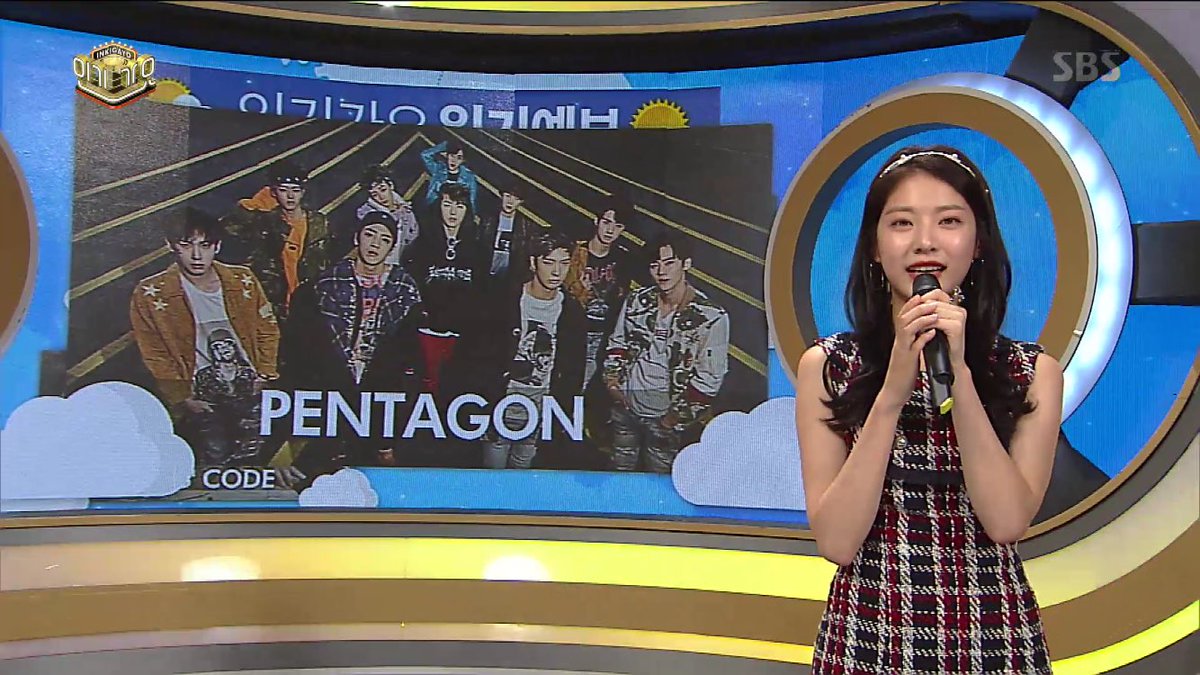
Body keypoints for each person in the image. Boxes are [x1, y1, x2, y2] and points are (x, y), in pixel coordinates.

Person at [793, 145, 1062, 675]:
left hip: (991, 634)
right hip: (868, 633)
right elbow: (837, 541)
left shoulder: (1032, 372)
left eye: (949, 221)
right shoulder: (828, 367)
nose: (925, 241)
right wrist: (892, 393)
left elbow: (1007, 521)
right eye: (901, 223)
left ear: (978, 243)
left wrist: (957, 373)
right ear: (874, 246)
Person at [130, 209, 279, 471]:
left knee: (258, 460)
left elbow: (267, 329)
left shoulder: (242, 279)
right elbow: (154, 353)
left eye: (206, 245)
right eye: (187, 245)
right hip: (202, 399)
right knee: (213, 461)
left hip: (250, 391)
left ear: (217, 246)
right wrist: (183, 398)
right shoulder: (151, 294)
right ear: (171, 245)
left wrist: (264, 376)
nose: (197, 255)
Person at [281, 211, 425, 479]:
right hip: (330, 395)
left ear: (392, 247)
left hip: (380, 398)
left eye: (384, 239)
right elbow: (301, 350)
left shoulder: (405, 289)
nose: (375, 244)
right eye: (369, 234)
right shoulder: (324, 285)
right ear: (357, 238)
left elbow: (410, 355)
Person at [603, 232, 730, 473]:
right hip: (626, 408)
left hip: (667, 419)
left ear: (686, 264)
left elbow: (710, 379)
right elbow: (617, 343)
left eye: (669, 263)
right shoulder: (636, 301)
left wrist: (672, 419)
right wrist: (612, 384)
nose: (661, 271)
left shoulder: (711, 317)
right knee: (619, 476)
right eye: (655, 265)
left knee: (660, 482)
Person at [472, 229, 586, 469]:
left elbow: (574, 371)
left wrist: (558, 415)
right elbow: (479, 356)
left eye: (564, 263)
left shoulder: (572, 312)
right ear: (533, 263)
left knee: (522, 477)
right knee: (493, 477)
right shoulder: (503, 300)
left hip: (539, 416)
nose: (557, 271)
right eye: (549, 262)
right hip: (498, 411)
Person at [405, 182, 492, 397]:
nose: (453, 212)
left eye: (460, 206)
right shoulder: (420, 247)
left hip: (463, 337)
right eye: (447, 205)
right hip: (427, 335)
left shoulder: (479, 250)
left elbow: (482, 293)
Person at [219, 160, 333, 323]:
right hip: (274, 302)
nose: (290, 196)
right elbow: (230, 229)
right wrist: (251, 206)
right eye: (283, 190)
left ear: (303, 192)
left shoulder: (319, 223)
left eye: (296, 190)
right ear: (273, 193)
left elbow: (328, 260)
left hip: (309, 302)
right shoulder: (266, 221)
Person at [564, 195, 637, 393]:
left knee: (584, 388)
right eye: (606, 222)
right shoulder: (576, 253)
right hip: (573, 334)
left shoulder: (623, 259)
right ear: (596, 220)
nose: (610, 230)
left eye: (617, 226)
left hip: (602, 337)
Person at [355, 164, 420, 264]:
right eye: (375, 194)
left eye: (383, 190)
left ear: (391, 186)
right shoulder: (366, 214)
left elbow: (413, 234)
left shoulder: (404, 208)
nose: (381, 197)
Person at [481, 178, 534, 282]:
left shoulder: (526, 226)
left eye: (516, 199)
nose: (510, 202)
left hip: (511, 277)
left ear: (521, 202)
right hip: (486, 274)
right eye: (507, 196)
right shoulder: (488, 220)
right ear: (501, 196)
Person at [421, 138, 479, 215]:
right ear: (447, 155)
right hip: (434, 209)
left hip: (455, 212)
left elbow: (472, 200)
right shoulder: (438, 169)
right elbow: (425, 155)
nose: (454, 160)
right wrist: (444, 146)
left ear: (463, 160)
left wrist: (472, 215)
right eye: (452, 156)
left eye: (459, 158)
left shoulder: (469, 177)